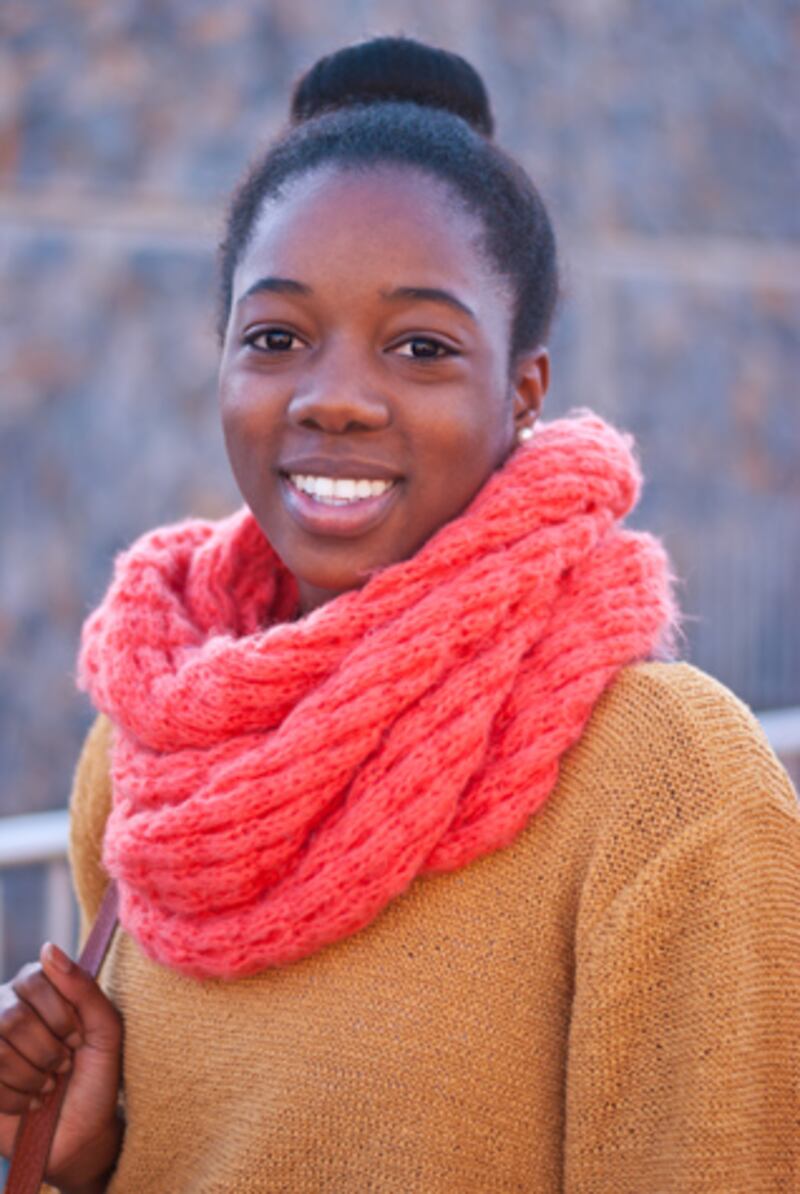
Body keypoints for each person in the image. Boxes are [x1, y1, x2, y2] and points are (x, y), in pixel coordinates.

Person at [1, 36, 798, 1194]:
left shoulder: (663, 782)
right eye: (276, 338)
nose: (333, 398)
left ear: (520, 392)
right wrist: (87, 1164)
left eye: (420, 347)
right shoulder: (148, 756)